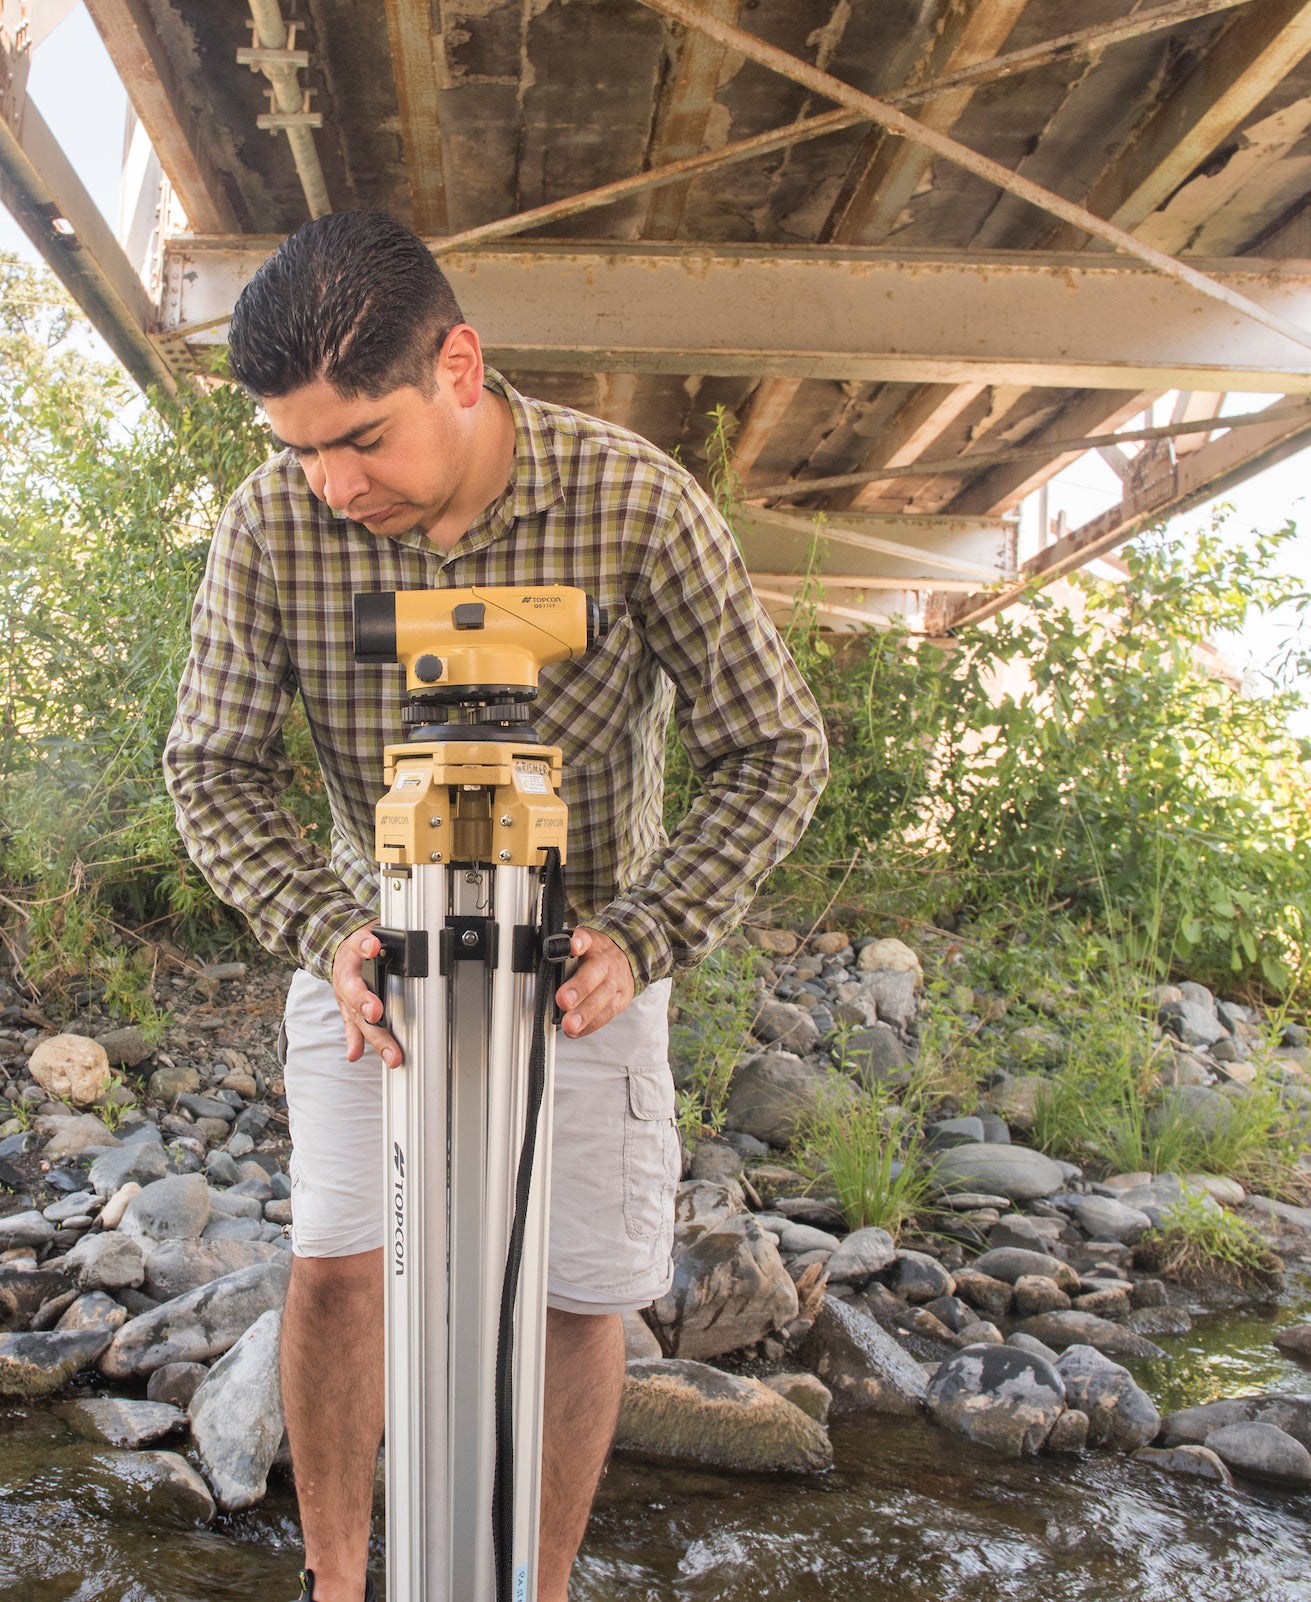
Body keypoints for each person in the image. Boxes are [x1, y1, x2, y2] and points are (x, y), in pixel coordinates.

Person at [162, 210, 828, 1602]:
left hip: (588, 953)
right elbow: (210, 767)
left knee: (581, 1288)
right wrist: (318, 928)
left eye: (363, 439)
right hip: (365, 947)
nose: (333, 483)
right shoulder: (272, 529)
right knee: (341, 1264)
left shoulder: (634, 502)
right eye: (300, 447)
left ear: (459, 366)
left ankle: (540, 1582)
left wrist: (648, 932)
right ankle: (342, 1583)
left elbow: (777, 744)